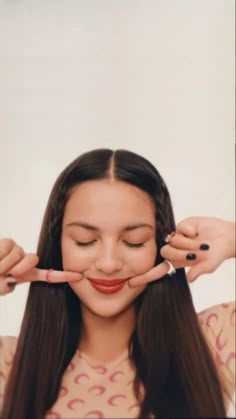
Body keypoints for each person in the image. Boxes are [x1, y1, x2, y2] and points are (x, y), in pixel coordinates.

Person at [0, 149, 235, 419]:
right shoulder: (10, 364)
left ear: (160, 245)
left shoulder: (212, 342)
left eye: (133, 241)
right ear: (59, 246)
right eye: (84, 240)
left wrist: (232, 238)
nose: (109, 264)